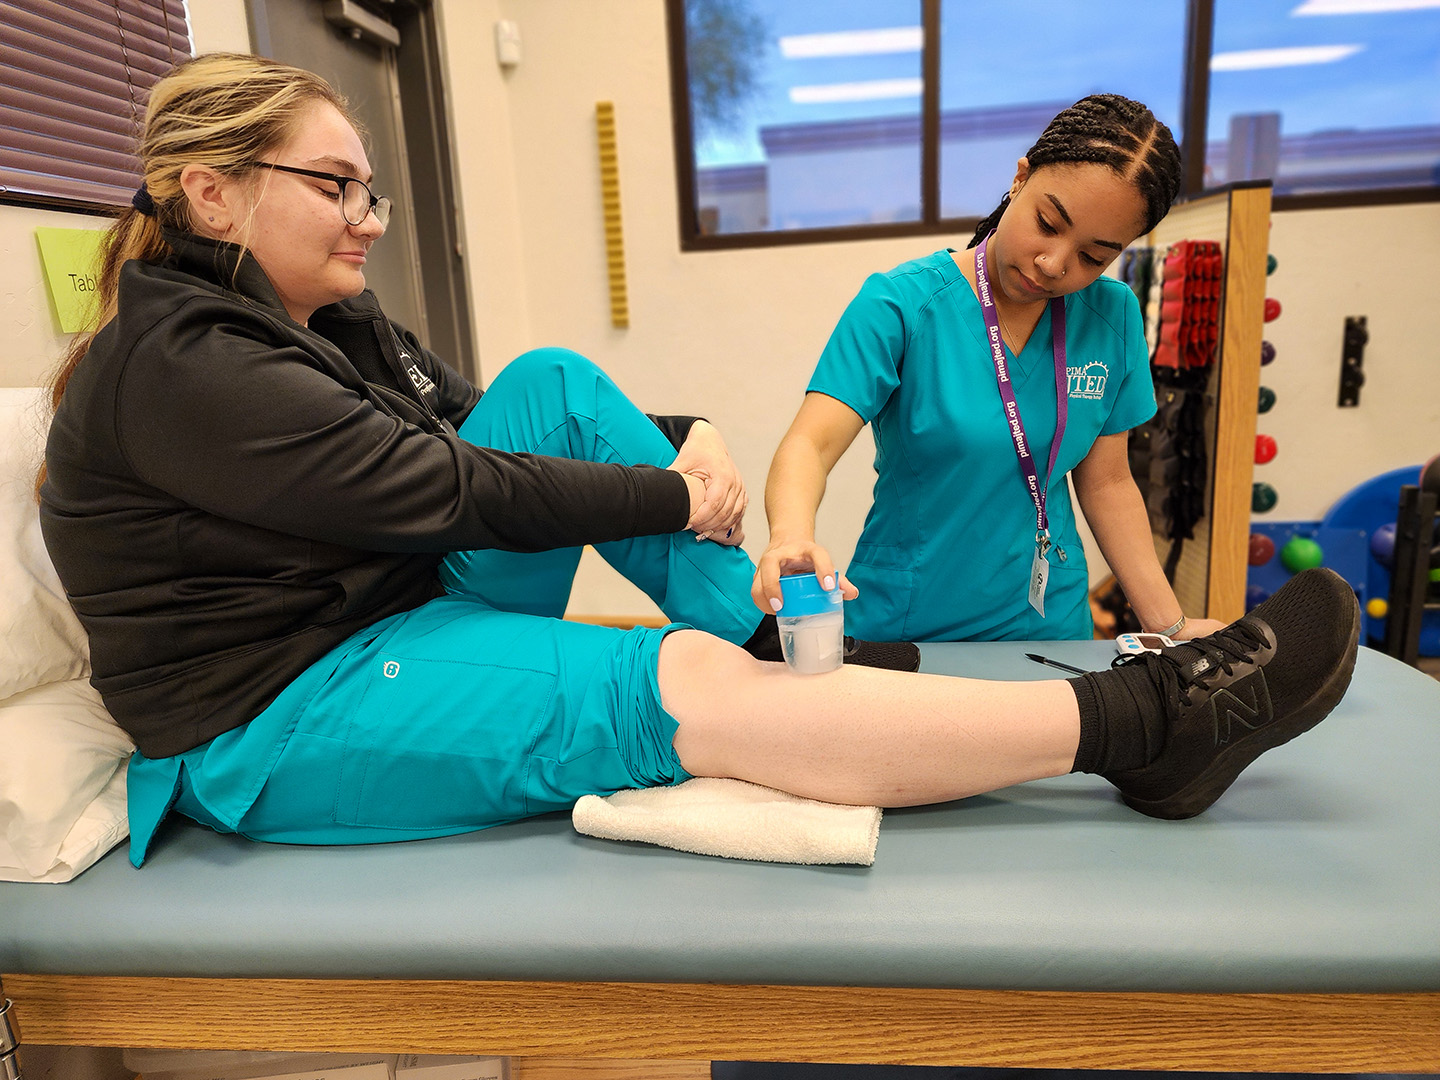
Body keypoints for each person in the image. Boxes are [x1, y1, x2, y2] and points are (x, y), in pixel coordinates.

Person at [39, 55, 1358, 869]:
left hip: (389, 608)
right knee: (662, 683)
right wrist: (682, 491)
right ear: (210, 193)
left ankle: (778, 650)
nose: (368, 219)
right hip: (271, 714)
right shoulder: (183, 363)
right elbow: (442, 492)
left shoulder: (324, 323)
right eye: (336, 186)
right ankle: (1145, 729)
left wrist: (675, 438)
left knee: (552, 385)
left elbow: (488, 427)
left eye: (371, 190)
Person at [754, 95, 1227, 646]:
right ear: (1020, 179)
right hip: (912, 624)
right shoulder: (903, 306)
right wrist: (789, 538)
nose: (1054, 264)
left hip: (1050, 627)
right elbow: (810, 444)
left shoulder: (1111, 317)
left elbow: (1109, 482)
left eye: (1094, 256)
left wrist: (1168, 626)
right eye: (1047, 224)